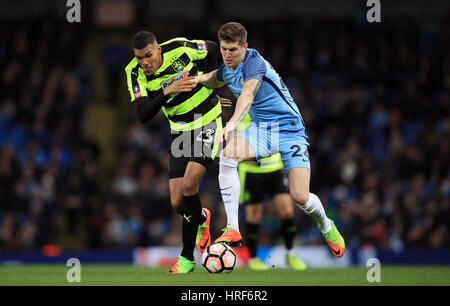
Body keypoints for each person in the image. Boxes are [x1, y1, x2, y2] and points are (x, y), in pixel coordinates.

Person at [195, 22, 345, 258]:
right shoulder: (228, 67)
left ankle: (326, 225)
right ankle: (233, 228)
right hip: (262, 130)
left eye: (233, 49)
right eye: (224, 49)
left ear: (245, 47)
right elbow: (215, 78)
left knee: (300, 197)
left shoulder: (255, 63)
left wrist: (232, 123)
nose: (227, 54)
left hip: (290, 130)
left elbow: (247, 94)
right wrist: (195, 80)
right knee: (227, 155)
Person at [124, 31, 223, 273]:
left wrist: (212, 82)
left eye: (148, 55)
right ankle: (201, 217)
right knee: (178, 202)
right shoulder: (134, 73)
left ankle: (187, 258)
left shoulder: (180, 48)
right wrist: (167, 91)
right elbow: (143, 115)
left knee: (190, 187)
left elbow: (212, 48)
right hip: (179, 131)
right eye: (139, 58)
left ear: (158, 49)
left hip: (206, 121)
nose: (144, 62)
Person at [238, 116, 307, 270]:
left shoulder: (273, 109)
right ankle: (253, 259)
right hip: (251, 171)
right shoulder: (244, 112)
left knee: (287, 211)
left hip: (275, 169)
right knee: (254, 217)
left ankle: (290, 254)